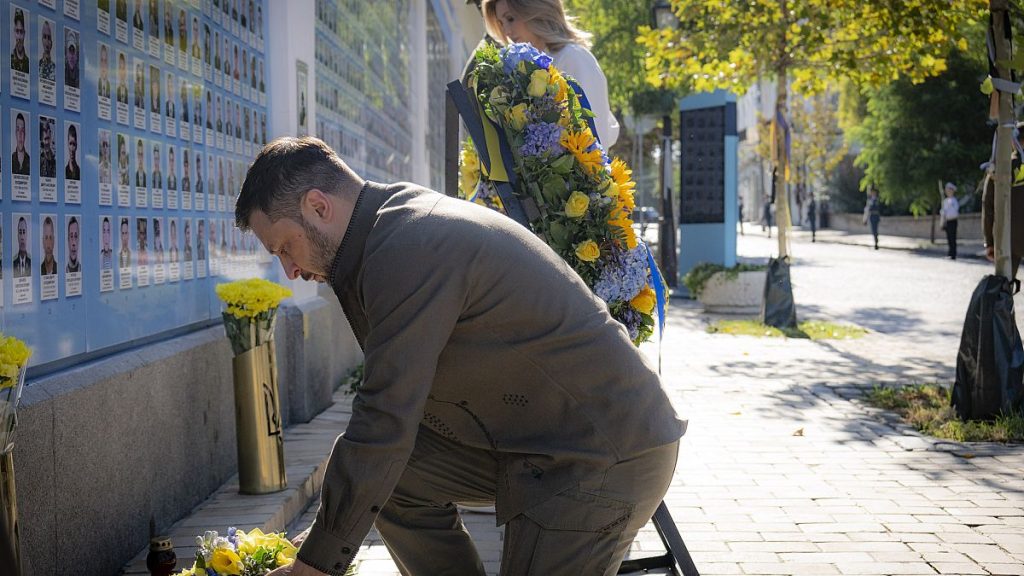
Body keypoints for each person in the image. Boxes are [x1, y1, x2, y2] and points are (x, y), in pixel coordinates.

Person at [239, 138, 684, 576]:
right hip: (546, 439)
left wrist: (315, 565)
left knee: (383, 460)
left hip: (602, 451)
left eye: (284, 247)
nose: (290, 271)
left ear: (319, 207)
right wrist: (329, 534)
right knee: (393, 479)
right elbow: (387, 441)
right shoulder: (387, 230)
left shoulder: (407, 248)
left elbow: (384, 418)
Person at [481, 0, 619, 147]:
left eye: (510, 19)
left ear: (536, 10)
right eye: (501, 23)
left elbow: (596, 139)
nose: (506, 31)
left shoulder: (574, 58)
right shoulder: (524, 71)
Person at [940, 182, 960, 260]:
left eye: (948, 190)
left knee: (952, 238)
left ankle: (953, 254)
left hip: (953, 221)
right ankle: (949, 253)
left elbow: (955, 212)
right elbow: (943, 213)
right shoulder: (945, 201)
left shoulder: (954, 201)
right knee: (949, 238)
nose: (947, 191)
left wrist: (947, 210)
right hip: (947, 221)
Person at [11, 9, 28, 75]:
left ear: (24, 33)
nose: (19, 37)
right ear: (14, 32)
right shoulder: (10, 60)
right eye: (17, 31)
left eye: (21, 31)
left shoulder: (28, 63)